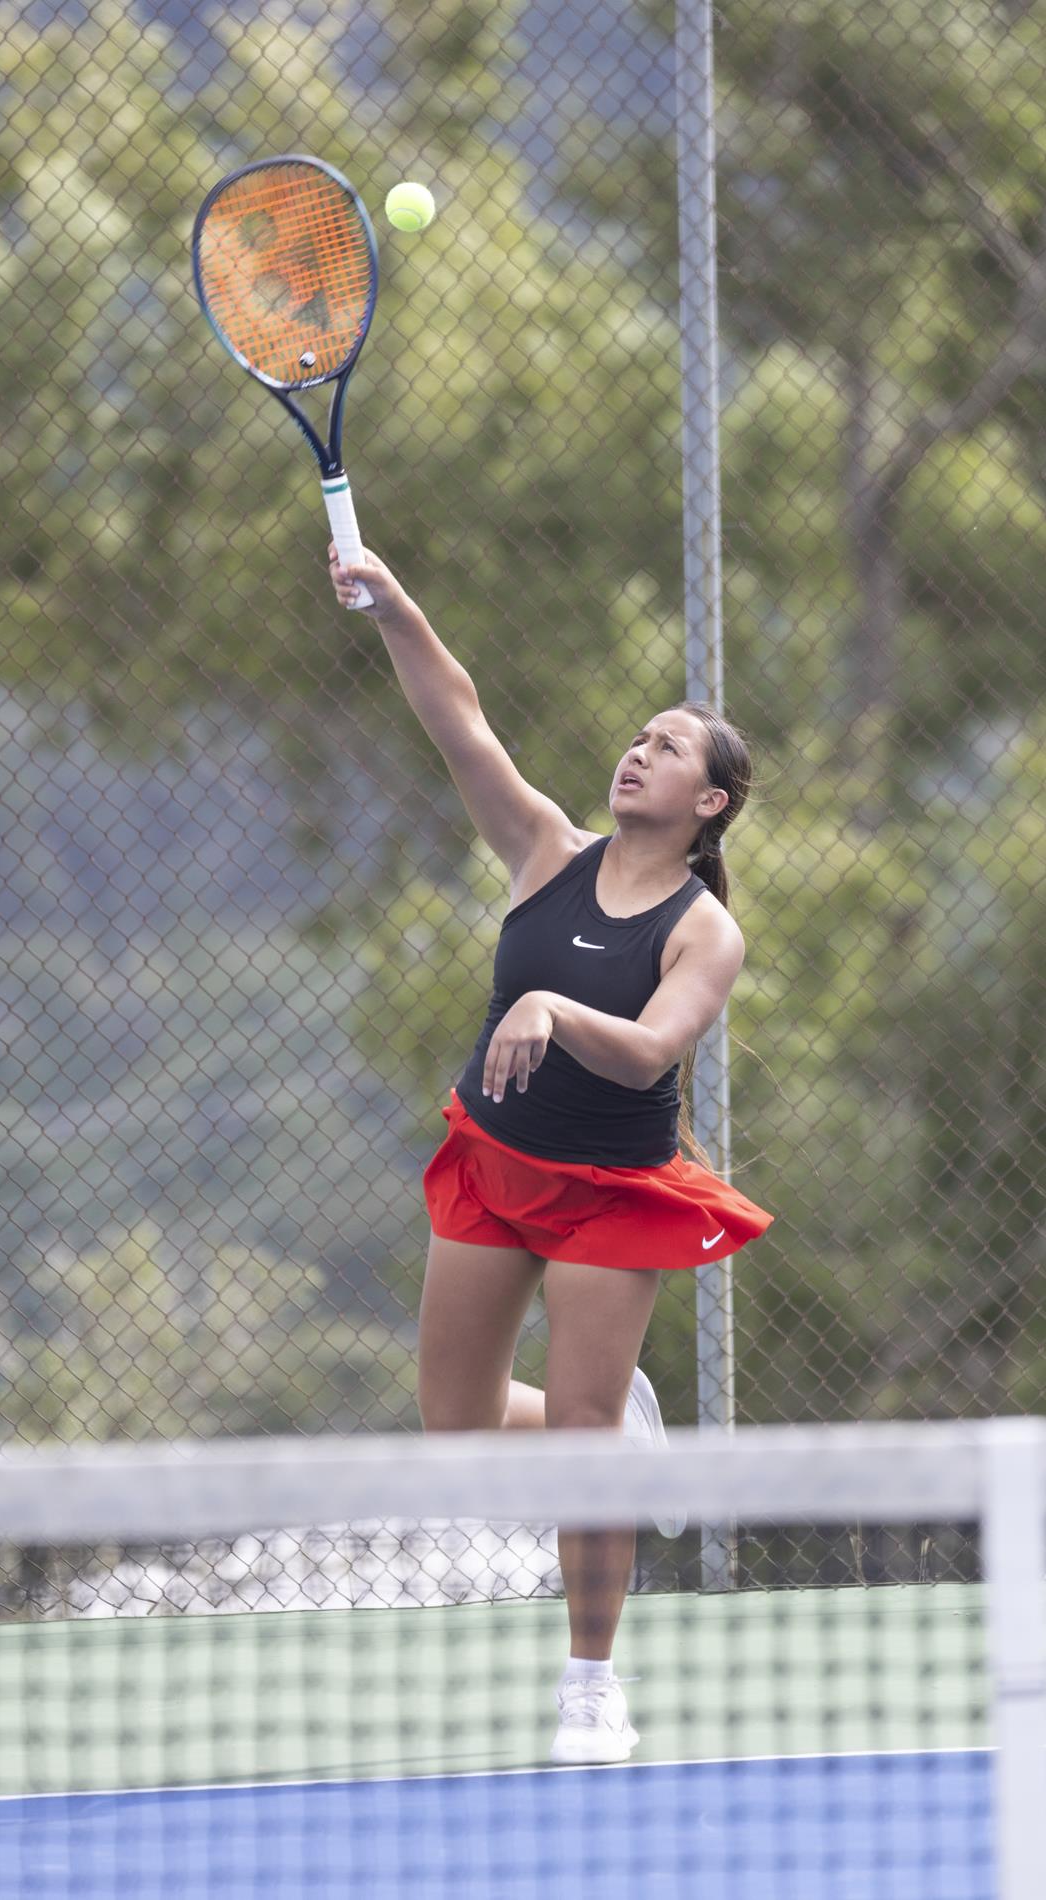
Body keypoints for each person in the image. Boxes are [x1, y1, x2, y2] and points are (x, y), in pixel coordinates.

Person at [328, 542, 773, 1765]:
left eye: (668, 747)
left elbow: (647, 1052)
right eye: (638, 736)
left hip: (607, 1195)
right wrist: (395, 605)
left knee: (578, 1427)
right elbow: (457, 720)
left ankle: (589, 1682)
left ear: (710, 802)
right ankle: (623, 1450)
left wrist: (552, 1012)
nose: (639, 750)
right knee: (457, 1430)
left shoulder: (705, 929)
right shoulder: (542, 851)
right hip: (494, 1164)